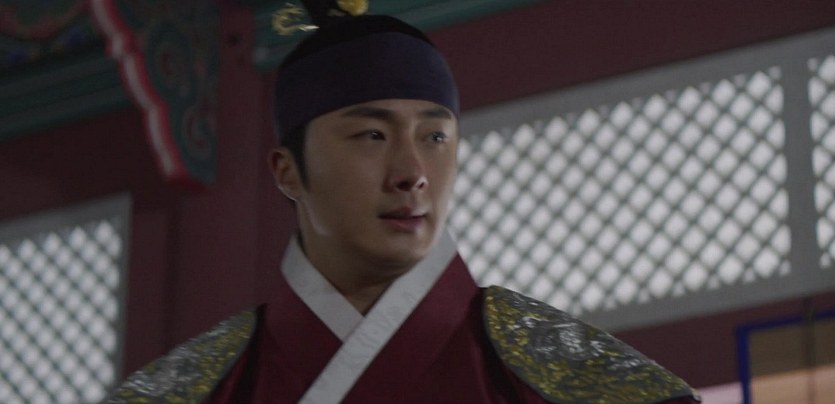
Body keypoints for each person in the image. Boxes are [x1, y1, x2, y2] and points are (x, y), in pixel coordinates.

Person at [106, 2, 700, 403]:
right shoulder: (205, 386)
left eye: (435, 137)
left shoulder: (557, 371)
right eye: (371, 135)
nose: (412, 174)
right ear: (288, 172)